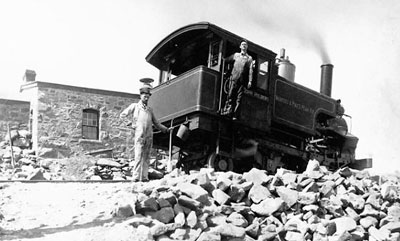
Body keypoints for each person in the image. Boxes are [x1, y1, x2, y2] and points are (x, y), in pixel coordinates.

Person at [120, 78, 171, 182]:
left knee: (146, 157)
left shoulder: (149, 110)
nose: (146, 97)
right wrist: (131, 124)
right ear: (140, 95)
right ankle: (135, 177)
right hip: (139, 136)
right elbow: (123, 115)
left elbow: (156, 123)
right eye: (144, 95)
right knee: (138, 156)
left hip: (149, 136)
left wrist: (166, 129)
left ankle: (144, 177)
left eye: (148, 96)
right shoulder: (134, 107)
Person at [222, 40, 254, 120]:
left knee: (239, 99)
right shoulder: (236, 55)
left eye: (245, 45)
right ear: (240, 46)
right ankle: (228, 111)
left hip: (242, 81)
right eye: (242, 44)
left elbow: (251, 70)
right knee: (230, 95)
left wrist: (250, 81)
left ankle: (235, 115)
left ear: (247, 47)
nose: (244, 46)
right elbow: (226, 60)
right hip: (234, 78)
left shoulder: (249, 58)